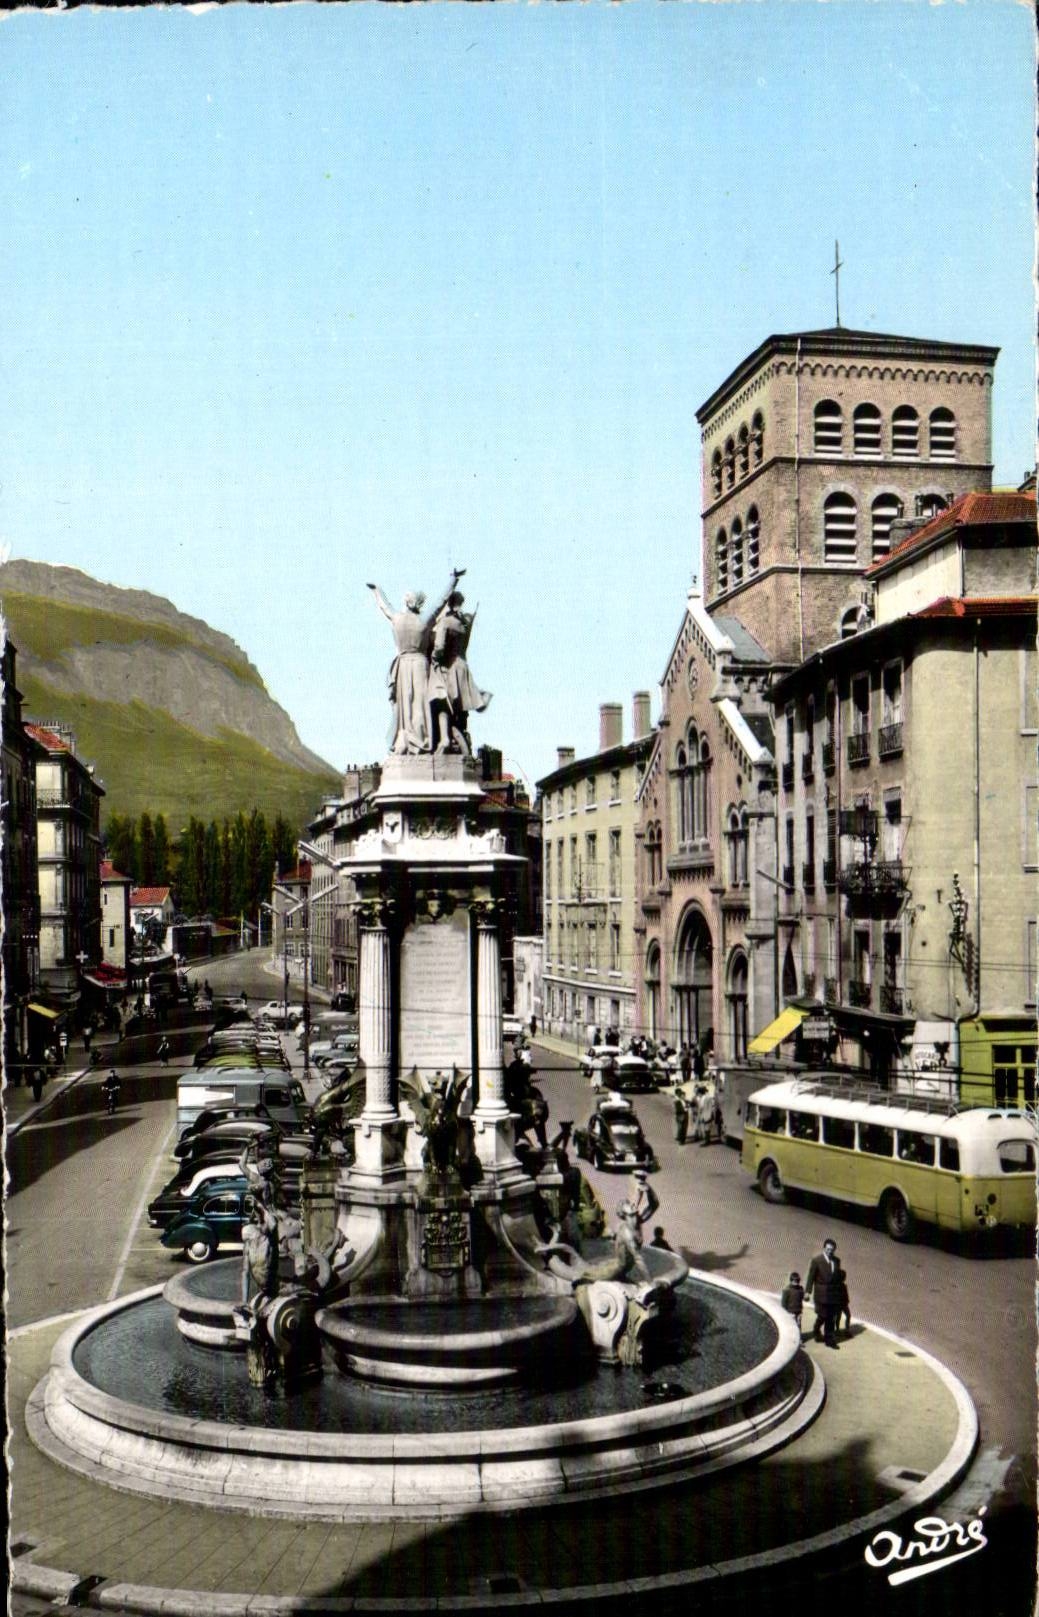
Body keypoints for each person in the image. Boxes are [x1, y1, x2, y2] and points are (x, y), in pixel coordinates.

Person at [367, 570, 464, 755]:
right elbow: (440, 602)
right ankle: (421, 739)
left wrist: (377, 591)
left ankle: (405, 739)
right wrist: (453, 580)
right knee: (419, 703)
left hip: (403, 666)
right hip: (420, 665)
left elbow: (384, 606)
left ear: (406, 602)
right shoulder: (424, 619)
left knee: (406, 704)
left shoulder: (397, 618)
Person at [426, 587, 491, 755]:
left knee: (443, 705)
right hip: (464, 668)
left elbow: (439, 647)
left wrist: (434, 658)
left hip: (450, 668)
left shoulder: (446, 622)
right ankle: (463, 749)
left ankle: (445, 741)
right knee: (460, 715)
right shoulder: (463, 623)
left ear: (449, 604)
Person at [805, 1237, 843, 1348]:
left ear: (834, 1250)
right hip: (821, 1294)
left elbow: (837, 1278)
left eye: (832, 1249)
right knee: (822, 1316)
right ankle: (816, 1330)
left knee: (830, 1318)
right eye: (827, 1249)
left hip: (832, 1295)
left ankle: (829, 1340)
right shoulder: (817, 1260)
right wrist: (808, 1292)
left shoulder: (837, 1261)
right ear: (824, 1248)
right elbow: (811, 1277)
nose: (829, 1251)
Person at [834, 1263, 852, 1336]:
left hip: (841, 1304)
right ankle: (845, 1330)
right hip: (841, 1304)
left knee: (839, 1317)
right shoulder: (841, 1286)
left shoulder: (841, 1285)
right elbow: (844, 1295)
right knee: (846, 1316)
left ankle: (838, 1330)